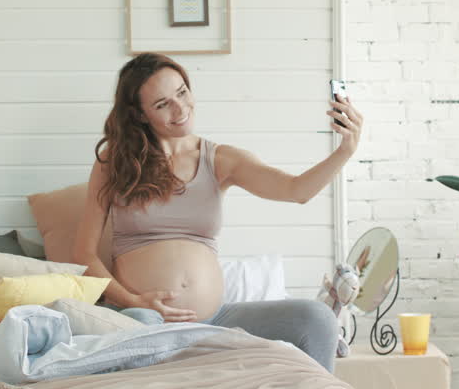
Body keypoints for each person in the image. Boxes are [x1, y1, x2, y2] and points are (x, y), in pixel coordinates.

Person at [71, 53, 365, 372]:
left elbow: (296, 191)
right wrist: (133, 301)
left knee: (317, 317)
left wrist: (345, 150)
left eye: (182, 92)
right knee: (138, 325)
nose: (180, 109)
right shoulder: (114, 164)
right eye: (162, 104)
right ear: (140, 115)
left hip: (215, 319)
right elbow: (84, 255)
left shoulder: (220, 159)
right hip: (146, 316)